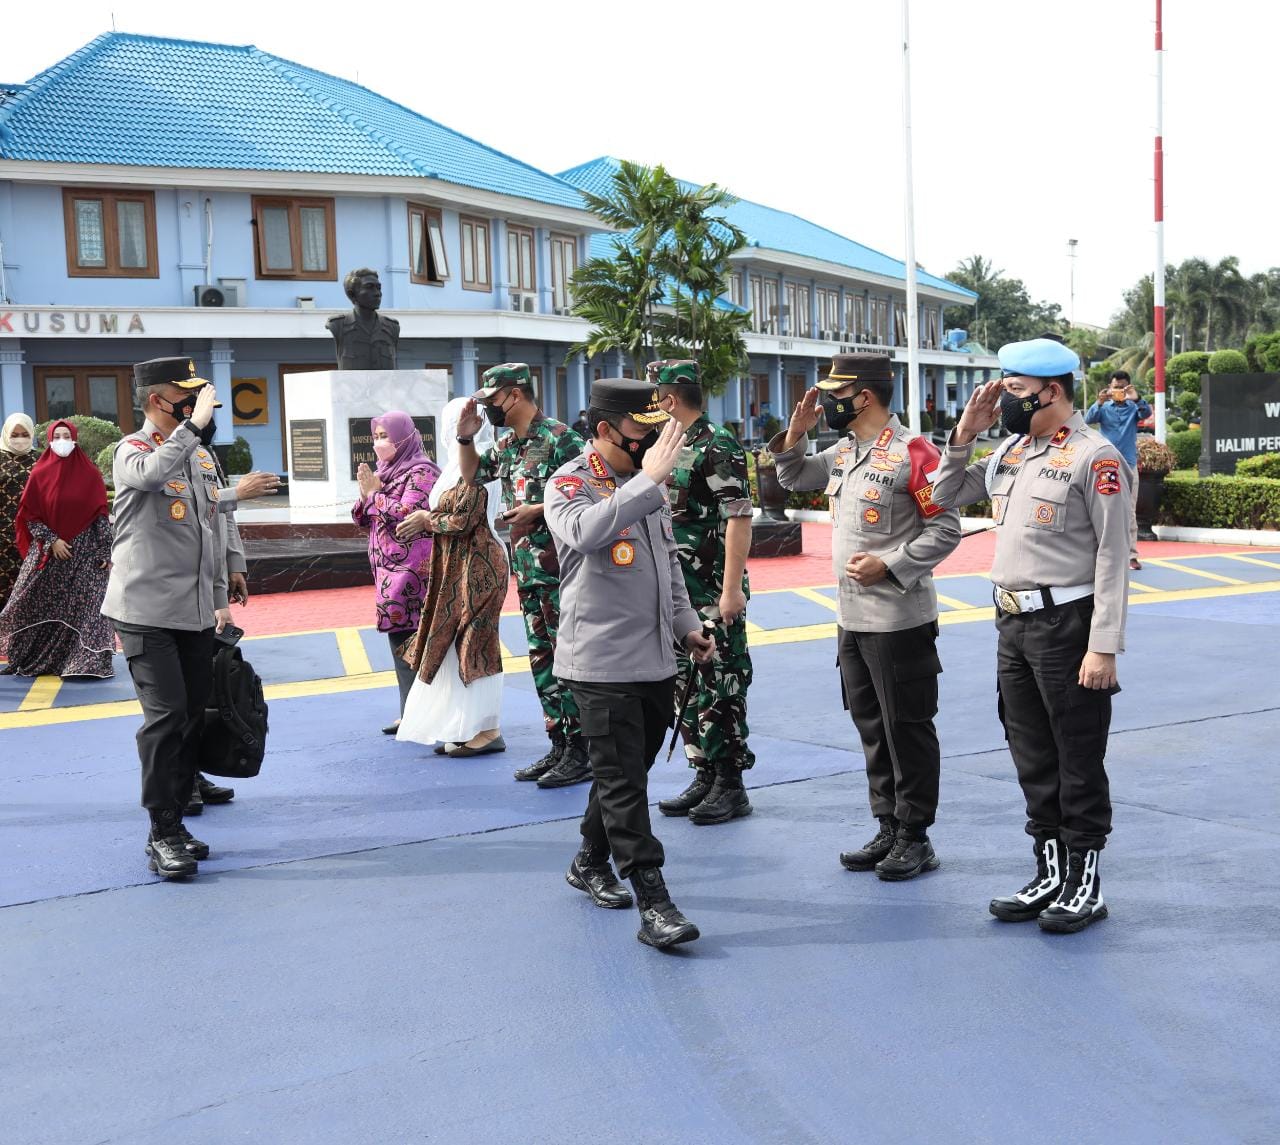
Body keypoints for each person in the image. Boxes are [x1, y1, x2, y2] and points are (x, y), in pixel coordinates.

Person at [931, 337, 1130, 934]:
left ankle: (1085, 883)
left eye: (1014, 390)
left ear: (1054, 391)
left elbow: (1115, 557)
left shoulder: (1095, 459)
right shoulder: (1012, 452)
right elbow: (941, 496)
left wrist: (1103, 645)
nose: (1005, 399)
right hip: (1012, 624)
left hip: (1066, 625)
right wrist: (964, 434)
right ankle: (1048, 871)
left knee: (1076, 751)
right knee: (1030, 751)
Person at [770, 354, 962, 879]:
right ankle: (887, 825)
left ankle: (915, 834)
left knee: (907, 728)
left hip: (899, 616)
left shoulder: (915, 453)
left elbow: (945, 529)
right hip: (851, 618)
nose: (827, 400)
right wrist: (797, 432)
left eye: (836, 392)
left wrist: (891, 564)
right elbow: (791, 478)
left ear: (866, 396)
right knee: (871, 726)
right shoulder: (845, 450)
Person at [543, 377, 715, 949]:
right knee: (622, 784)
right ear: (603, 431)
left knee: (626, 775)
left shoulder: (646, 487)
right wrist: (648, 481)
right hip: (599, 663)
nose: (651, 443)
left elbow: (668, 564)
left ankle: (590, 859)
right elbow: (588, 533)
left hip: (655, 659)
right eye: (640, 432)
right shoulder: (569, 482)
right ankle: (655, 902)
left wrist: (688, 626)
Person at [102, 357, 232, 880]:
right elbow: (155, 475)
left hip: (195, 612)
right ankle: (160, 832)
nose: (198, 407)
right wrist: (192, 428)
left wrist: (223, 588)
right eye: (186, 397)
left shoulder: (198, 458)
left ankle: (177, 823)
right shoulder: (132, 452)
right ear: (159, 401)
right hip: (146, 613)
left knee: (191, 717)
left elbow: (211, 529)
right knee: (166, 719)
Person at [456, 363, 590, 787]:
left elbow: (595, 496)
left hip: (564, 570)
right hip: (529, 571)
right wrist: (465, 437)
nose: (489, 409)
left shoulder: (562, 438)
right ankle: (560, 745)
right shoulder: (508, 442)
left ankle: (582, 750)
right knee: (542, 660)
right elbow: (474, 476)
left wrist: (540, 510)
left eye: (492, 401)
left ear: (514, 395)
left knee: (570, 660)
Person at [646, 359, 757, 825]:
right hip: (678, 591)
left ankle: (730, 783)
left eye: (655, 396)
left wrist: (731, 589)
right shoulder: (669, 444)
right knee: (686, 687)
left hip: (712, 588)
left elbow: (739, 517)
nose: (650, 405)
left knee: (720, 684)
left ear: (671, 399)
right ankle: (703, 771)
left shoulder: (717, 445)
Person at [395, 397, 507, 756]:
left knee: (475, 643)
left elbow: (465, 519)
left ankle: (488, 730)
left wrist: (426, 520)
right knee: (452, 644)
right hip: (453, 565)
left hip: (479, 565)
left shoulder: (481, 463)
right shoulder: (454, 467)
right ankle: (467, 725)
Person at [185, 423, 279, 817]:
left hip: (212, 580)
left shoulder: (206, 455)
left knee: (206, 690)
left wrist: (234, 565)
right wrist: (235, 493)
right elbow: (189, 508)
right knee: (180, 696)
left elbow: (225, 519)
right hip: (184, 586)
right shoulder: (157, 456)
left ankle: (196, 769)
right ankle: (181, 779)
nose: (207, 421)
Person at [0, 420, 115, 678]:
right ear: (49, 440)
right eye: (57, 436)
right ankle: (29, 659)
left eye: (67, 436)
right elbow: (29, 514)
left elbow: (100, 515)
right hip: (48, 553)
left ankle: (84, 663)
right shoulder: (40, 473)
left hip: (84, 554)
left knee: (88, 605)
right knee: (28, 601)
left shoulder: (90, 473)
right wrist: (52, 539)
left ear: (75, 439)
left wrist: (105, 552)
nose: (62, 441)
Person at [353, 412, 440, 735]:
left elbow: (408, 515)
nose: (379, 443)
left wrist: (374, 495)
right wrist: (368, 496)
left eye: (384, 435)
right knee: (399, 640)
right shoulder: (386, 472)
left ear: (404, 437)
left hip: (413, 573)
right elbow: (363, 519)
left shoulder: (421, 472)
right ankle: (410, 712)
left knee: (416, 644)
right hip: (388, 572)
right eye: (375, 436)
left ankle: (424, 714)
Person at [1085, 370, 1151, 570]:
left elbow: (1146, 414)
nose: (1118, 391)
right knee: (1103, 509)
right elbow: (1088, 420)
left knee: (1129, 511)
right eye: (1115, 387)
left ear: (1128, 388)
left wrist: (1136, 397)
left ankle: (1131, 555)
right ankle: (1100, 554)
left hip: (1129, 464)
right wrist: (1098, 401)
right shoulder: (1103, 408)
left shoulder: (1134, 407)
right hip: (1107, 466)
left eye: (1122, 387)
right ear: (1110, 387)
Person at [326, 268, 399, 370]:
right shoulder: (338, 325)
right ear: (352, 294)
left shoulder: (392, 327)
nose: (378, 293)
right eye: (369, 287)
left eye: (379, 288)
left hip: (385, 386)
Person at [0, 413, 37, 615]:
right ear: (6, 433)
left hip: (33, 537)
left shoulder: (41, 459)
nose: (20, 438)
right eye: (15, 434)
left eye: (24, 434)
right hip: (2, 538)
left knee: (28, 595)